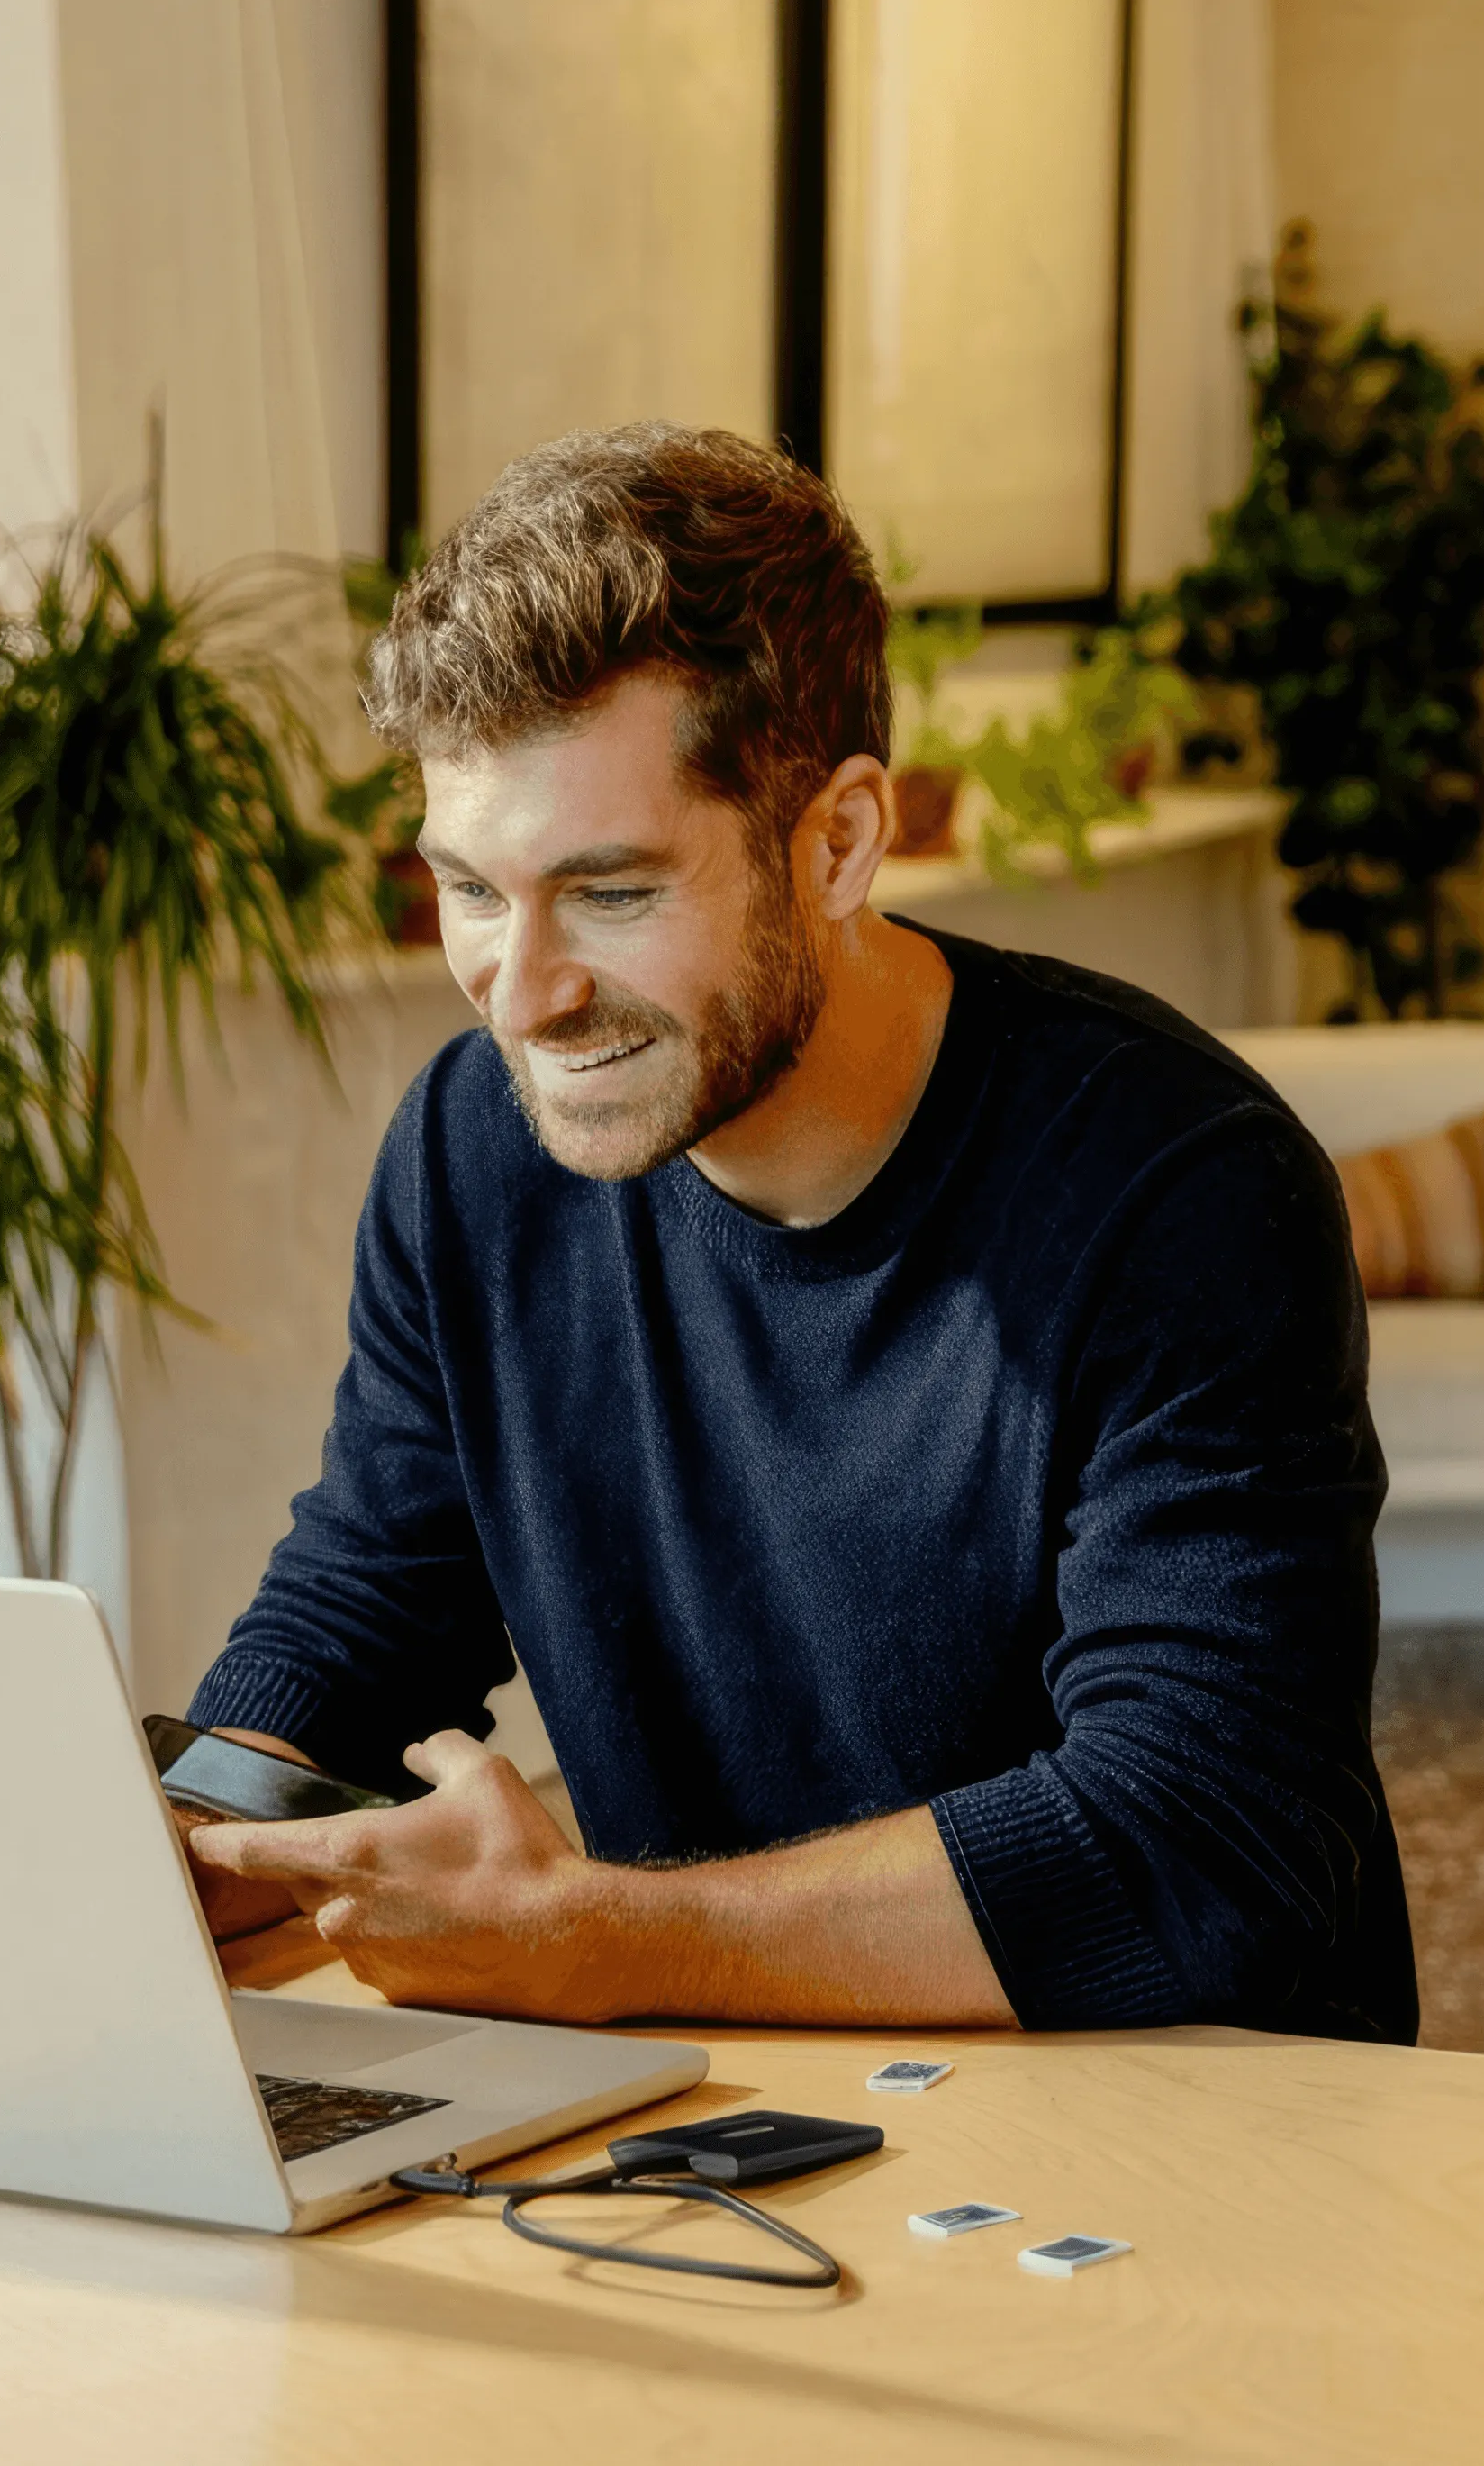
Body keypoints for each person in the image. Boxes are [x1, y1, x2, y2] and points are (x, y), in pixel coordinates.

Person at [178, 422, 1413, 2044]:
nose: (524, 993)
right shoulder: (472, 1151)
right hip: (740, 2090)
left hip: (1177, 2107)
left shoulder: (1179, 1188)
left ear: (836, 842)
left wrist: (607, 1942)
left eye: (610, 895)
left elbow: (1196, 1844)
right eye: (471, 891)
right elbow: (366, 1616)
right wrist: (166, 1857)